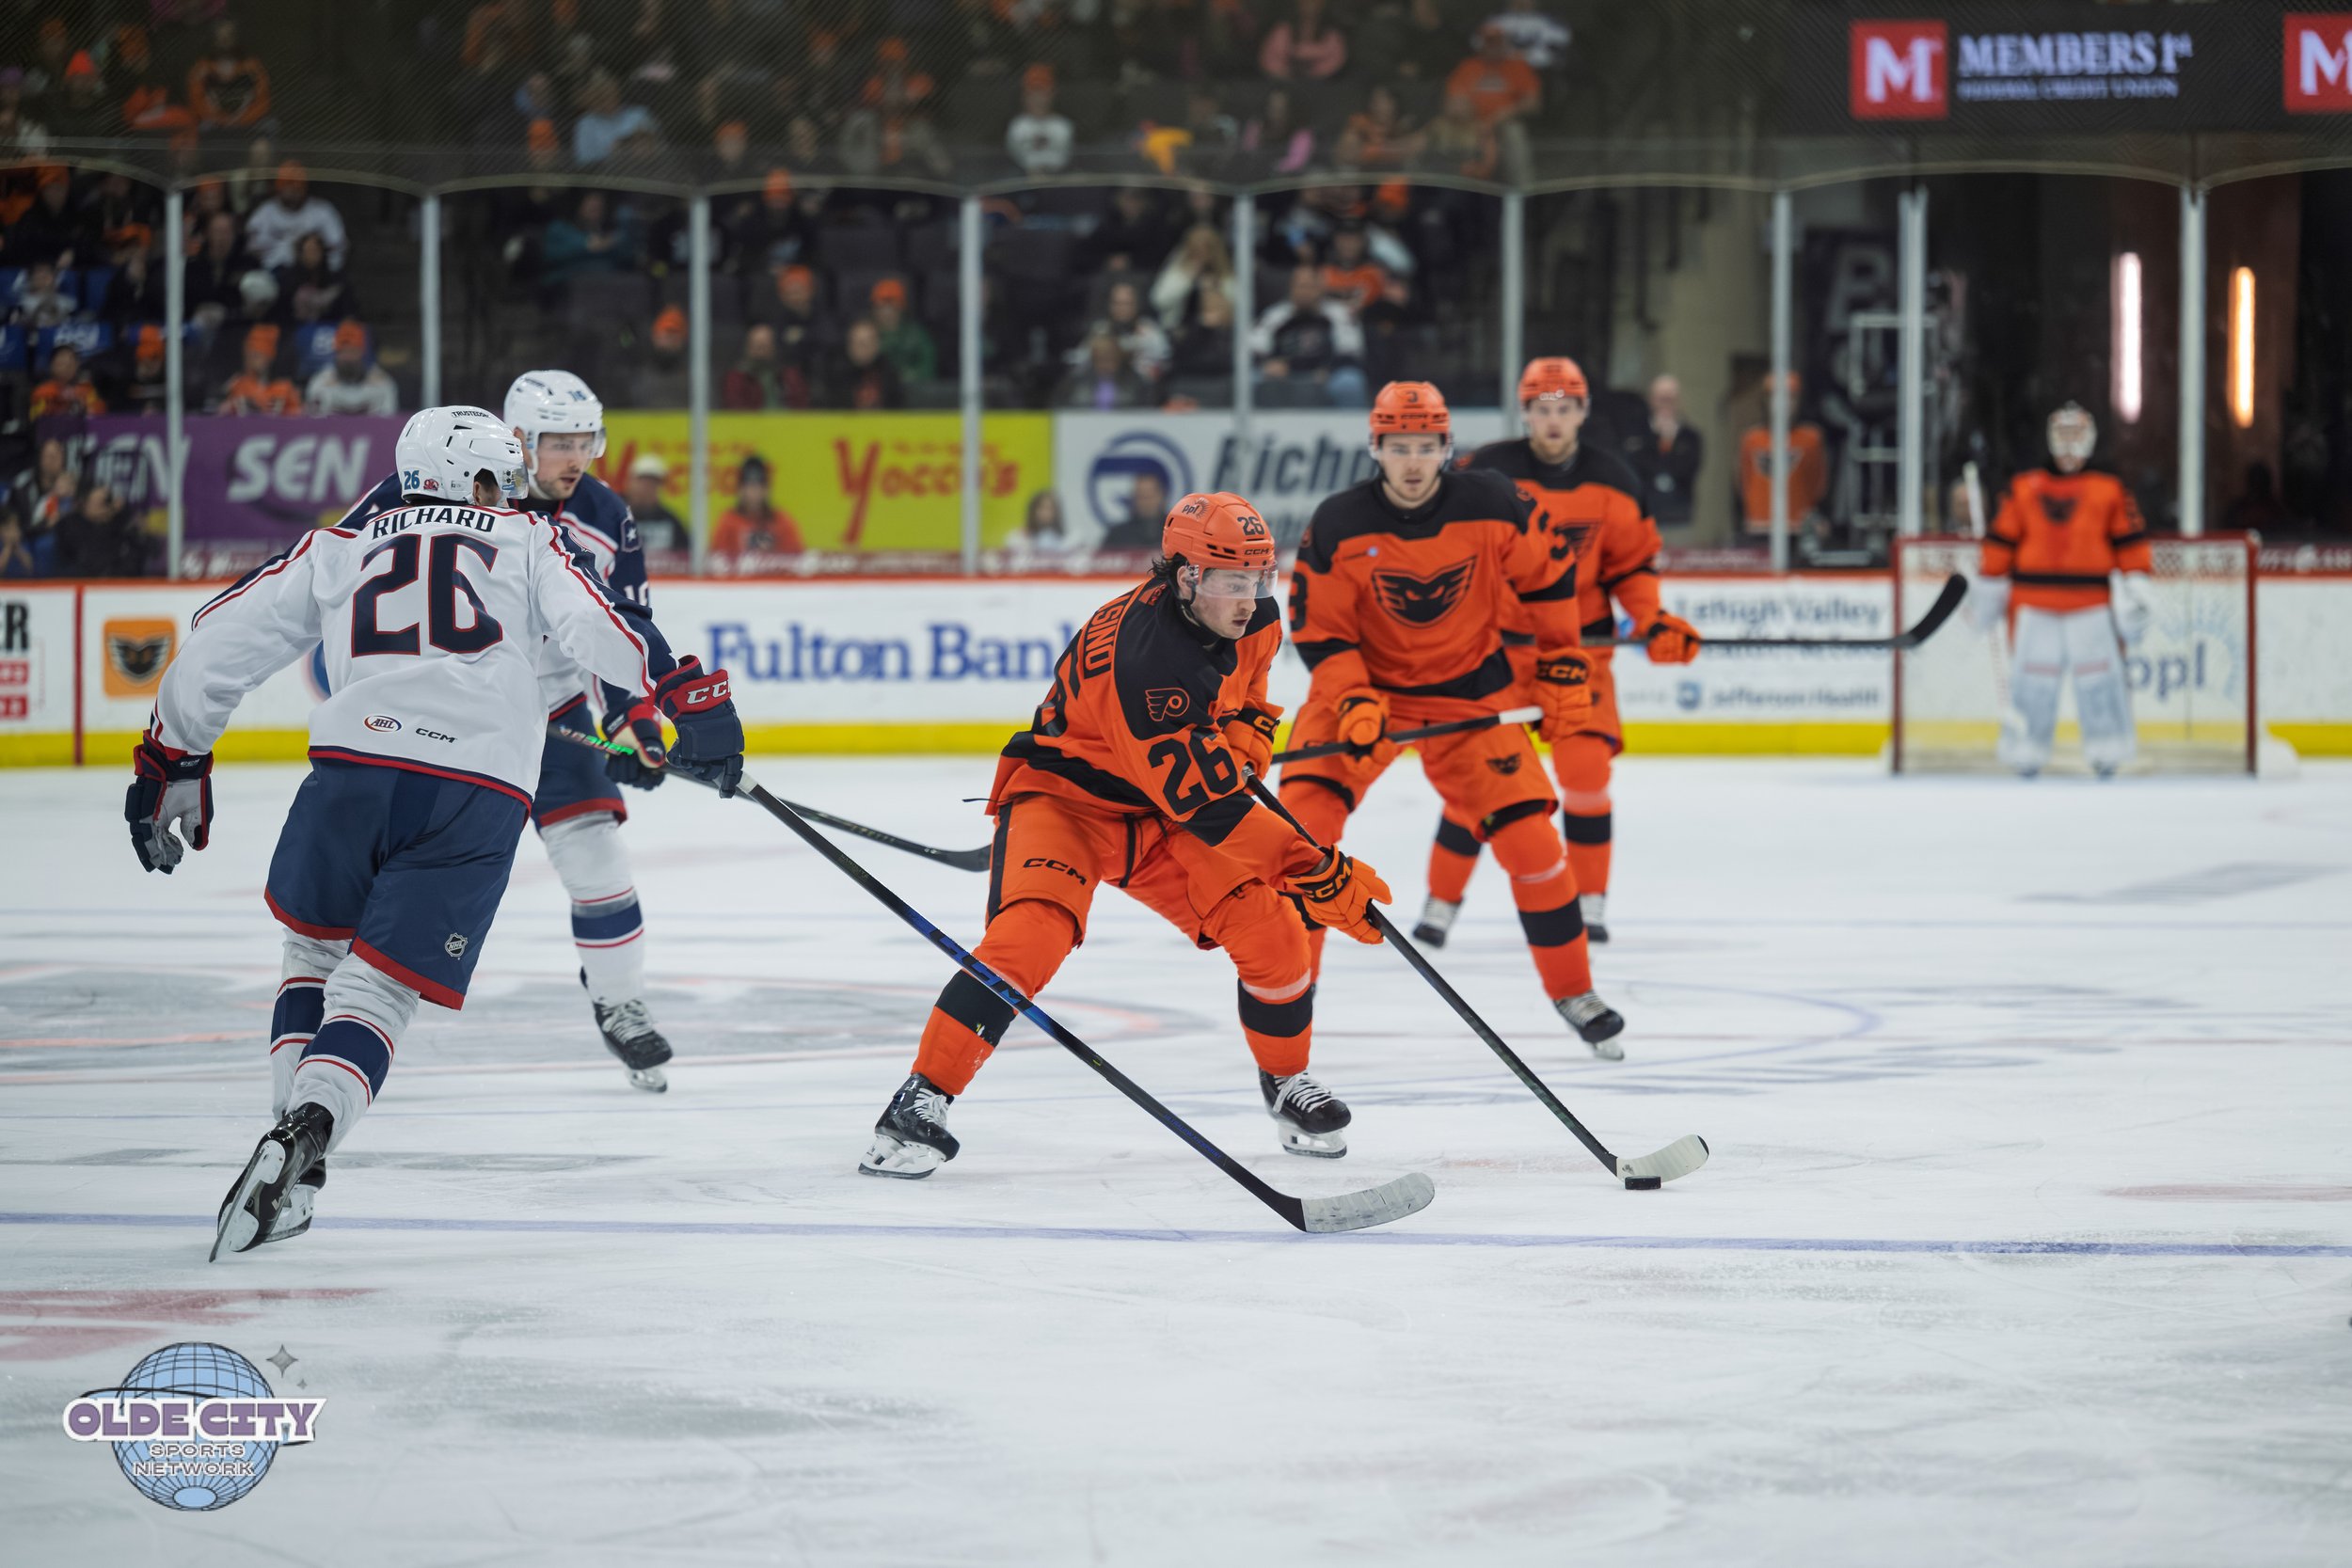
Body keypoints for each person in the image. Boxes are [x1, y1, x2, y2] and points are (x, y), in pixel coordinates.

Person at [126, 404, 742, 1259]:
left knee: (313, 957)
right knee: (377, 994)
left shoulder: (340, 544)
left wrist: (172, 758)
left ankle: (292, 1160)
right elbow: (602, 623)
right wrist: (683, 699)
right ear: (484, 480)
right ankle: (307, 1132)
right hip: (473, 790)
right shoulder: (526, 539)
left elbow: (218, 640)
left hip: (351, 772)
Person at [860, 491, 1389, 1178]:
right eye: (1234, 580)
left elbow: (1249, 698)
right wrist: (1314, 868)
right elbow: (1215, 809)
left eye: (1262, 577)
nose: (1251, 597)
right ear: (1186, 575)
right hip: (1068, 801)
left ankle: (1286, 1082)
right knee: (1032, 934)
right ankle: (921, 1097)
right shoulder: (1144, 660)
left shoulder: (1255, 616)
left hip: (1159, 810)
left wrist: (1245, 731)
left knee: (1276, 932)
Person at [331, 376, 683, 1085]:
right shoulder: (451, 475)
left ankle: (620, 1004)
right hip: (440, 719)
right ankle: (339, 1017)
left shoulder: (606, 512)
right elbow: (345, 557)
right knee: (376, 881)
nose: (575, 457)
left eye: (585, 441)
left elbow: (617, 624)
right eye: (558, 442)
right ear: (519, 441)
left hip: (550, 715)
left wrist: (633, 716)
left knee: (599, 863)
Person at [1279, 382, 1627, 1057]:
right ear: (1376, 448)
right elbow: (1319, 632)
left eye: (1427, 447)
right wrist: (1352, 697)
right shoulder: (1339, 521)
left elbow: (1551, 576)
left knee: (1533, 842)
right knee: (1304, 839)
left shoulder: (1494, 501)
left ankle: (1574, 990)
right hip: (1361, 699)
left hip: (1467, 695)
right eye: (1399, 447)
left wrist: (1560, 662)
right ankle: (1294, 992)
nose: (1413, 462)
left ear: (1448, 448)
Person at [1419, 357, 1702, 950]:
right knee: (1482, 778)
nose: (1553, 420)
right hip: (1497, 656)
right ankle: (1440, 904)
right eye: (1541, 409)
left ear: (1582, 412)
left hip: (1579, 654)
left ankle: (1590, 903)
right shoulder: (1485, 472)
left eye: (1564, 408)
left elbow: (1632, 568)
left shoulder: (1616, 480)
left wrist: (1651, 622)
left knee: (1585, 773)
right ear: (1525, 413)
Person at [1970, 403, 2153, 779]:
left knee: (2099, 682)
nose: (2069, 448)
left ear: (2091, 441)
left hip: (2092, 607)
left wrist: (2136, 584)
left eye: (2077, 438)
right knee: (2032, 684)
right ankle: (2026, 750)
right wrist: (1988, 585)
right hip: (2034, 606)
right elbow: (2001, 542)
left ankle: (2108, 750)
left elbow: (2130, 541)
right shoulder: (2023, 488)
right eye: (2063, 438)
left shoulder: (2110, 490)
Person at [1250, 265, 1368, 406]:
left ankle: (1350, 428)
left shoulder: (1339, 314)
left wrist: (1328, 369)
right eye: (1300, 286)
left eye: (1309, 286)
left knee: (1350, 382)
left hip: (1326, 374)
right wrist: (1268, 364)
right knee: (1248, 379)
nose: (1304, 292)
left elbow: (1351, 351)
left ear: (1320, 288)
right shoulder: (1275, 315)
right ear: (1291, 288)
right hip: (1282, 376)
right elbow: (1254, 348)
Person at [1737, 373, 1829, 535]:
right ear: (1765, 400)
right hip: (1759, 527)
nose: (1783, 404)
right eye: (1776, 397)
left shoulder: (1811, 439)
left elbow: (1818, 485)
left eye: (1791, 398)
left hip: (1798, 527)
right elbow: (1743, 481)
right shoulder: (1752, 440)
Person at [1623, 373, 1702, 527]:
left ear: (1679, 401)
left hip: (1679, 512)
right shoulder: (1635, 434)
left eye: (1670, 399)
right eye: (1661, 399)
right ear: (1651, 400)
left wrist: (1669, 442)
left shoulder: (1691, 437)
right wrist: (1656, 439)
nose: (1665, 405)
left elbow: (1687, 471)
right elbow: (1633, 470)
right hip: (1643, 513)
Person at [243, 162, 347, 271]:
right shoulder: (265, 213)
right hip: (275, 276)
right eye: (288, 183)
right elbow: (252, 250)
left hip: (316, 276)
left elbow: (338, 247)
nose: (293, 189)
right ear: (278, 186)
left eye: (298, 184)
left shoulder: (322, 211)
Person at [709, 454, 805, 560]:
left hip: (774, 576)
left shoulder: (781, 522)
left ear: (766, 489)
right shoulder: (728, 523)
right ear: (740, 489)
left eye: (758, 486)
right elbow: (717, 563)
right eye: (749, 486)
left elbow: (796, 561)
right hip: (737, 576)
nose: (753, 493)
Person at [187, 20, 272, 131]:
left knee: (270, 125)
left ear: (237, 38)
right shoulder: (202, 68)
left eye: (229, 36)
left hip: (248, 124)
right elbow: (197, 101)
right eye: (220, 36)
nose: (225, 40)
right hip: (213, 125)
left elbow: (262, 100)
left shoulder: (252, 66)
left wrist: (241, 120)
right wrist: (221, 120)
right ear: (213, 39)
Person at [305, 322, 398, 416]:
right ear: (336, 354)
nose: (348, 357)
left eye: (353, 351)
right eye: (343, 352)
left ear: (362, 353)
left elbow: (388, 421)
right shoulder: (320, 383)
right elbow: (314, 423)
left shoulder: (382, 383)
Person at [1054, 327, 1153, 412]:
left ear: (1118, 355)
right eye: (1100, 356)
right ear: (1093, 356)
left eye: (1109, 354)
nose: (1105, 359)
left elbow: (1147, 413)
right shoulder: (1074, 382)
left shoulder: (1138, 383)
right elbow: (1059, 411)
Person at [1005, 63, 1073, 178]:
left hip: (1058, 180)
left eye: (1042, 93)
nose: (1037, 99)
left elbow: (1067, 159)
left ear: (1052, 95)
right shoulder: (1016, 126)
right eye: (1032, 93)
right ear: (1024, 96)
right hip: (1022, 181)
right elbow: (1010, 158)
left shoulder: (1063, 125)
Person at [217, 324, 301, 415]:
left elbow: (298, 415)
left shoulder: (284, 388)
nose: (252, 360)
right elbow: (222, 414)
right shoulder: (238, 385)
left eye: (258, 356)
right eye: (250, 355)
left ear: (269, 358)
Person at [824, 318, 905, 410]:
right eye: (860, 343)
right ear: (849, 345)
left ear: (877, 344)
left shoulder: (889, 373)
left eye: (869, 342)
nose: (864, 348)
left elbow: (898, 409)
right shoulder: (834, 376)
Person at [868, 278, 937, 385]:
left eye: (892, 307)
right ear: (874, 310)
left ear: (901, 309)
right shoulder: (866, 334)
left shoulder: (916, 334)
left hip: (913, 390)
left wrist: (911, 377)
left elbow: (928, 367)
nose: (887, 313)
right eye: (882, 308)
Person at [1260, 0, 1349, 80]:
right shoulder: (1283, 31)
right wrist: (1289, 74)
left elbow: (1336, 60)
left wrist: (1313, 73)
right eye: (1305, 1)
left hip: (1324, 86)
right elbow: (1270, 59)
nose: (1310, 5)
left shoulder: (1332, 34)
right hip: (1284, 85)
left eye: (1315, 1)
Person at [622, 452, 689, 556]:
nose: (647, 487)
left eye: (653, 483)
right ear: (630, 481)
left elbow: (686, 555)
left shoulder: (670, 521)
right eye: (643, 481)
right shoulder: (614, 512)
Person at [1095, 470, 1169, 553]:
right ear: (1134, 498)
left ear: (1161, 496)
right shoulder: (1117, 535)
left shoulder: (1175, 531)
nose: (1146, 502)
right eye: (1141, 496)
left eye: (1150, 496)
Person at [721, 323, 789, 410]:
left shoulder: (788, 376)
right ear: (747, 347)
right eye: (757, 346)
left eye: (765, 346)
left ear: (774, 347)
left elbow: (799, 406)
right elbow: (735, 409)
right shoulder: (735, 378)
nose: (760, 352)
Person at [1003, 490, 1078, 569]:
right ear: (1033, 511)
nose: (1045, 512)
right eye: (1041, 508)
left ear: (1057, 512)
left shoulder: (1070, 537)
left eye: (1050, 508)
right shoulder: (1018, 536)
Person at [30, 343, 105, 417]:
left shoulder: (88, 390)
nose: (67, 367)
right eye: (62, 363)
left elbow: (99, 417)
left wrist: (85, 408)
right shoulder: (43, 392)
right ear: (52, 366)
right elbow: (37, 420)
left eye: (71, 363)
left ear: (77, 365)